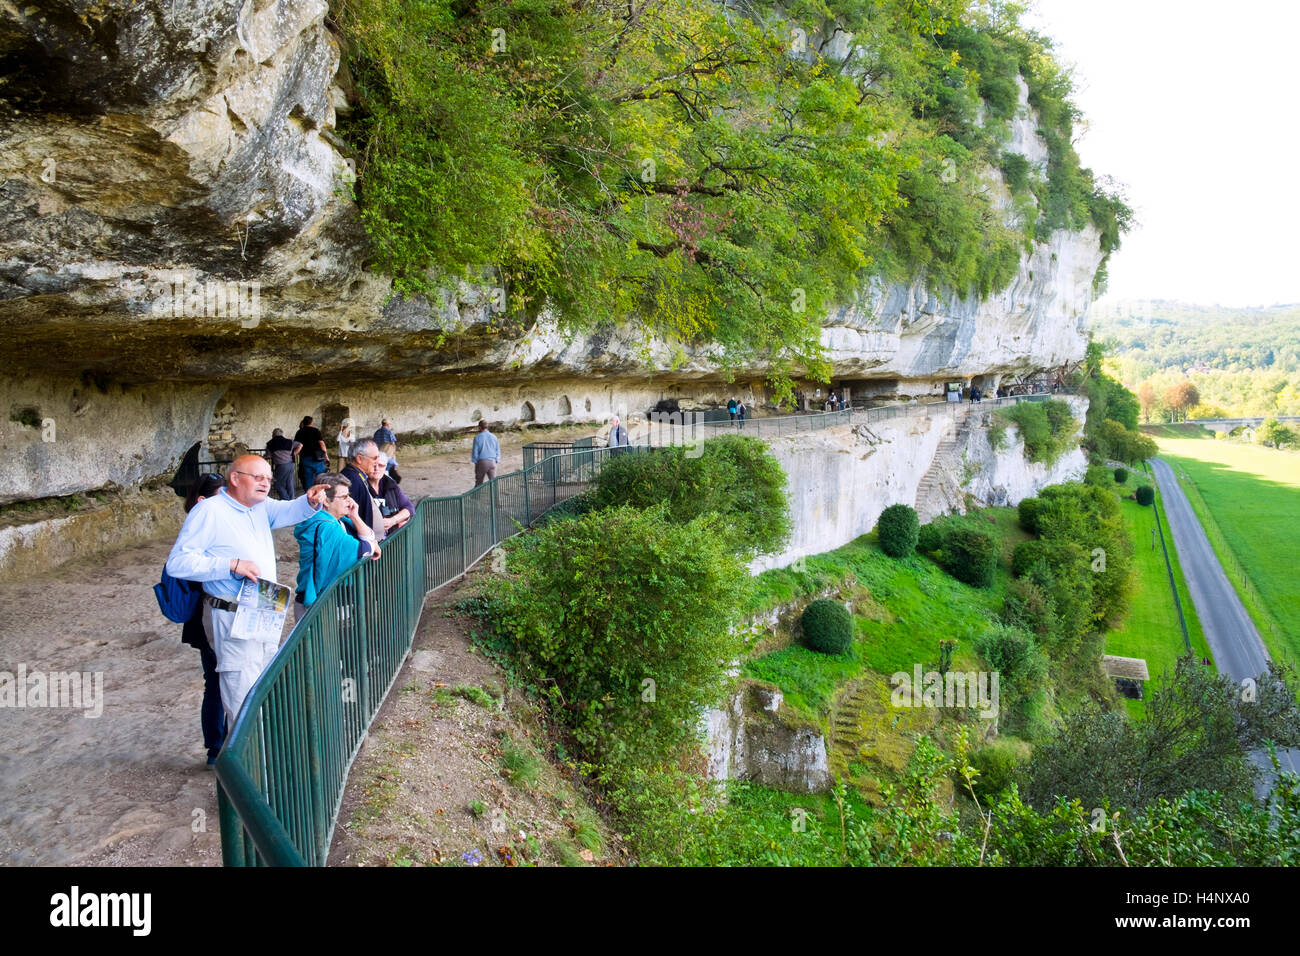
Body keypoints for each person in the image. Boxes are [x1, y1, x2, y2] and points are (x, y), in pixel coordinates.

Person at [165, 455, 329, 727]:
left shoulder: (260, 507)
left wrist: (310, 501)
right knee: (242, 695)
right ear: (235, 478)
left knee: (262, 687)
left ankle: (261, 763)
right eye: (258, 477)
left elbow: (290, 510)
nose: (265, 483)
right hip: (232, 613)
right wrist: (231, 565)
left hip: (263, 608)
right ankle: (245, 766)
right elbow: (178, 564)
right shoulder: (210, 511)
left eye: (268, 478)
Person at [180, 474, 227, 766]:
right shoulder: (200, 534)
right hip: (208, 617)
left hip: (213, 616)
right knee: (217, 681)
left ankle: (218, 748)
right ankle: (217, 749)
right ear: (203, 501)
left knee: (217, 681)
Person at [293, 474, 380, 622]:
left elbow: (370, 538)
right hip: (316, 604)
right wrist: (373, 546)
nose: (350, 501)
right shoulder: (324, 525)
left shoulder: (341, 520)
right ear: (326, 500)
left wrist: (355, 516)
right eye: (344, 496)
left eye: (349, 495)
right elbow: (363, 550)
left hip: (330, 600)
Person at [367, 451, 414, 541]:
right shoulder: (362, 485)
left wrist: (393, 520)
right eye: (374, 465)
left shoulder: (390, 485)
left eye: (381, 465)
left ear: (385, 467)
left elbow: (409, 508)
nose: (377, 468)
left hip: (391, 541)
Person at [340, 438, 382, 536]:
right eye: (375, 458)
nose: (377, 462)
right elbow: (351, 516)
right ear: (359, 459)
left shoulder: (355, 476)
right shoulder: (352, 480)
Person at [293, 415, 328, 494]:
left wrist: (294, 454)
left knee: (308, 479)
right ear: (311, 422)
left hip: (305, 458)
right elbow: (322, 444)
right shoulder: (316, 431)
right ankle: (321, 494)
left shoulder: (299, 432)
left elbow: (297, 445)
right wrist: (326, 455)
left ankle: (309, 496)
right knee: (321, 477)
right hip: (317, 458)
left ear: (303, 422)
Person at [266, 428, 301, 500]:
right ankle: (291, 499)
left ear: (273, 435)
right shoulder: (289, 441)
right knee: (289, 482)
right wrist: (294, 453)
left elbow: (268, 457)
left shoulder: (270, 443)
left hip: (282, 465)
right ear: (282, 434)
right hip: (291, 464)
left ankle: (286, 500)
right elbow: (300, 445)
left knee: (278, 484)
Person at [471, 419, 500, 485]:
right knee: (493, 483)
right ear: (487, 427)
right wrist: (496, 460)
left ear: (479, 427)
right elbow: (497, 450)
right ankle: (495, 495)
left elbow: (475, 452)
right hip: (492, 461)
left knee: (479, 483)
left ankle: (477, 495)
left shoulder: (477, 437)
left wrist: (475, 462)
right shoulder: (494, 437)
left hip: (482, 462)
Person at [373, 418, 401, 483]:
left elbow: (374, 442)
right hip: (388, 451)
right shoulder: (389, 432)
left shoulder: (377, 432)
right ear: (387, 424)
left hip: (379, 451)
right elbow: (393, 443)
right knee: (390, 467)